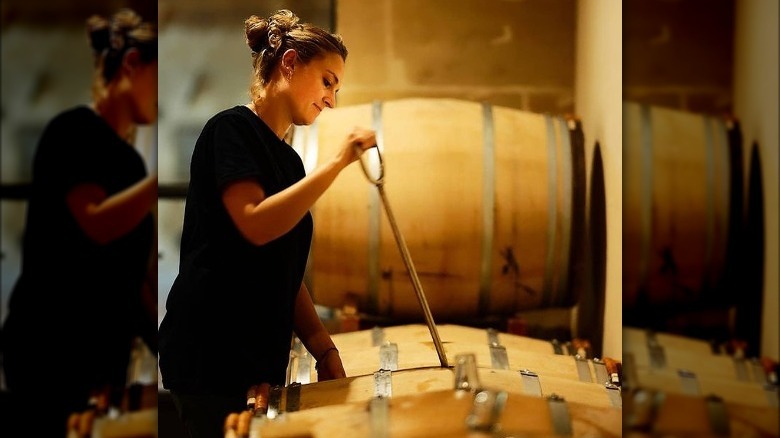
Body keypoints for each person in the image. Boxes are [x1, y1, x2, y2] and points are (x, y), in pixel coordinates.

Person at [157, 9, 376, 438]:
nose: (332, 98)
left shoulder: (290, 163)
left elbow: (285, 268)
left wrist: (323, 348)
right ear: (290, 63)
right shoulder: (231, 131)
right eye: (328, 81)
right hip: (210, 359)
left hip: (252, 365)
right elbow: (255, 225)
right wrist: (337, 163)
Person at [0, 8, 158, 436]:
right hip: (48, 351)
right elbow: (95, 224)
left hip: (101, 363)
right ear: (131, 66)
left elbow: (132, 275)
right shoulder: (71, 131)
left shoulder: (131, 162)